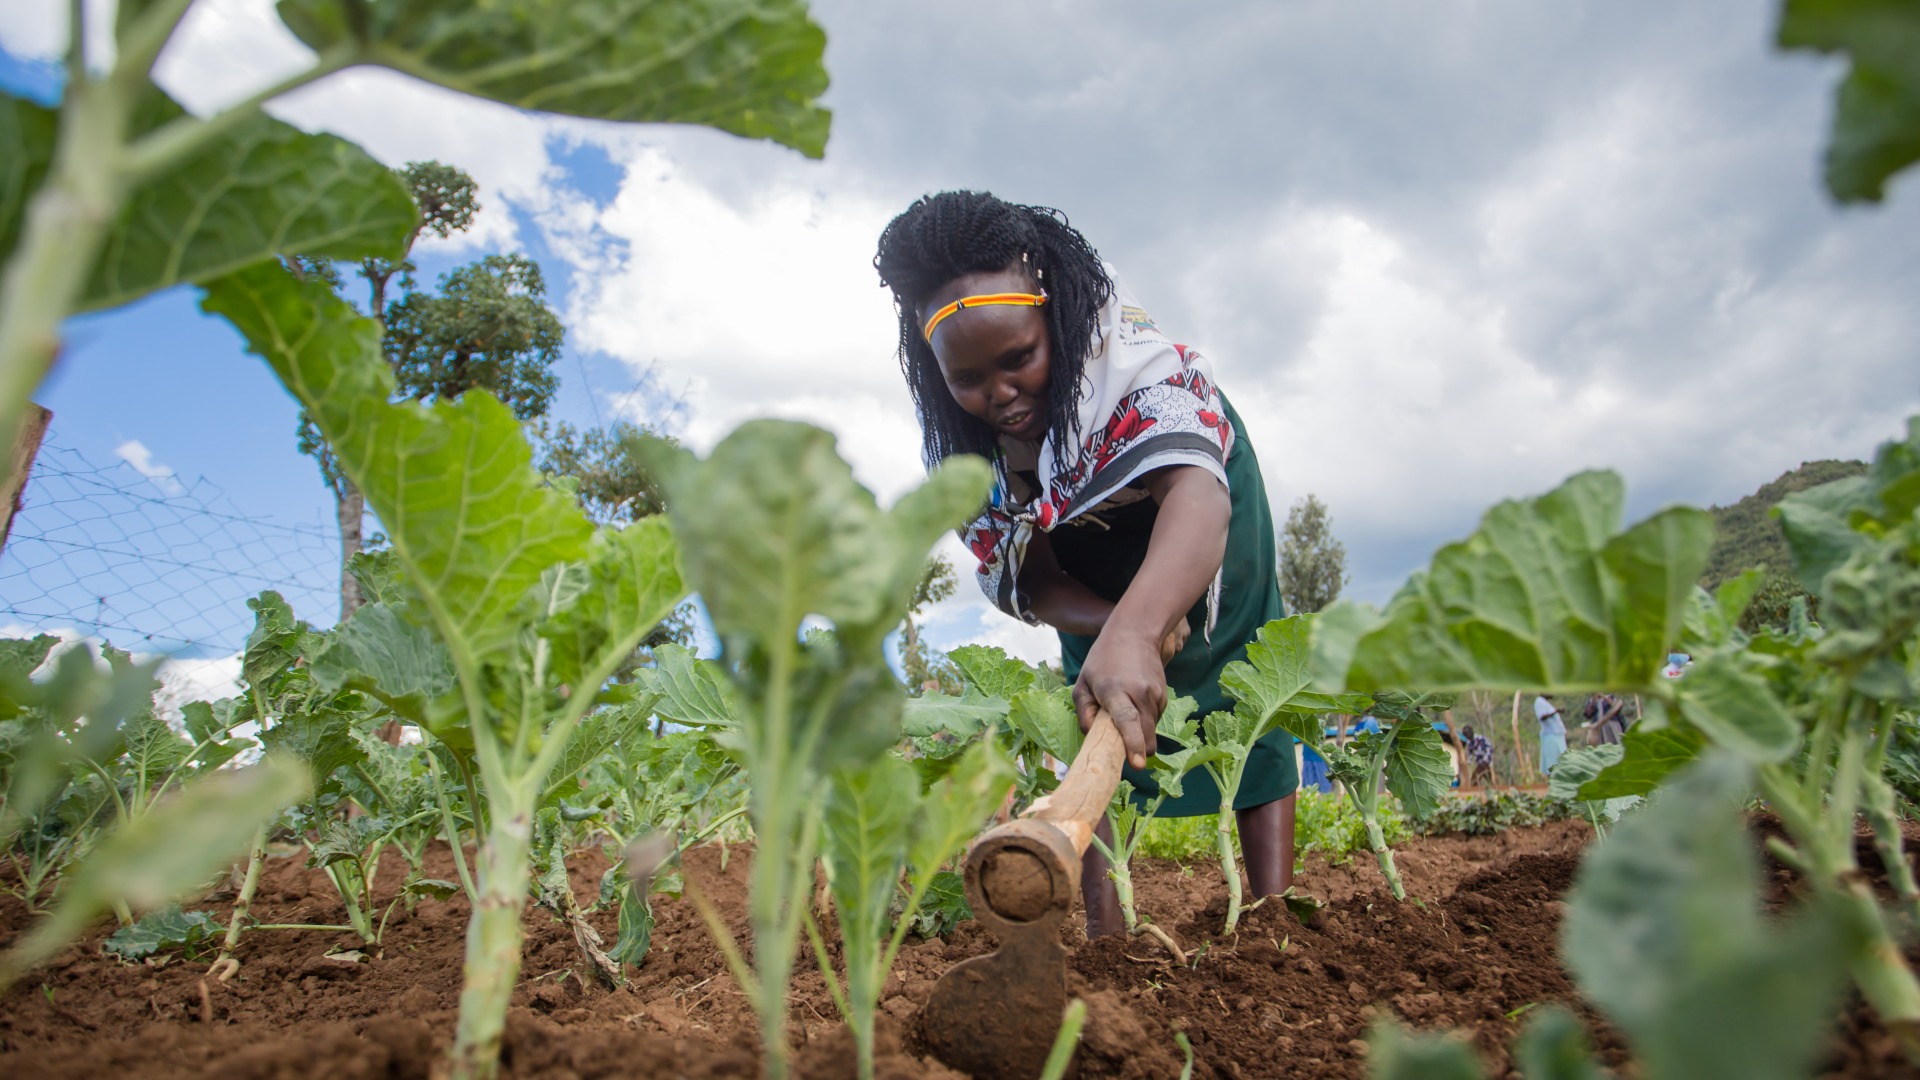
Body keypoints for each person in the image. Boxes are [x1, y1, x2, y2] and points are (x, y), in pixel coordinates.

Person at [874, 191, 1296, 936]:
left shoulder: (1135, 372)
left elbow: (1197, 498)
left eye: (1018, 360)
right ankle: (1107, 937)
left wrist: (1144, 627)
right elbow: (1032, 582)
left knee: (1247, 680)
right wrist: (1113, 629)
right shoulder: (970, 456)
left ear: (1055, 319)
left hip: (1197, 515)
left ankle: (1273, 914)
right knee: (1094, 692)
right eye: (968, 379)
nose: (999, 395)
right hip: (1080, 560)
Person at [1533, 693, 1567, 775]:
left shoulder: (1545, 702)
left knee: (1562, 758)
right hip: (1550, 734)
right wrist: (1555, 711)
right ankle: (1553, 779)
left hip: (1557, 734)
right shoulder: (1539, 701)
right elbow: (1542, 717)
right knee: (1552, 760)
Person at [1460, 724, 1495, 789]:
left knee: (1475, 778)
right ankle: (1493, 787)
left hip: (1485, 761)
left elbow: (1489, 747)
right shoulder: (1469, 743)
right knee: (1488, 777)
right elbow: (1470, 753)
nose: (1468, 737)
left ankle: (1474, 788)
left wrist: (1486, 758)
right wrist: (1468, 762)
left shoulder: (1481, 739)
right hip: (1479, 762)